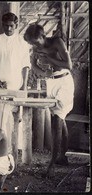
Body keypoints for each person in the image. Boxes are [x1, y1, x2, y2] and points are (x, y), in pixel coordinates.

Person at [23, 24, 74, 177]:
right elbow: (38, 70)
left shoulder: (57, 42)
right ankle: (62, 157)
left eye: (36, 42)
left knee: (57, 120)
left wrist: (48, 57)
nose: (34, 45)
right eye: (32, 43)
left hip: (64, 82)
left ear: (43, 36)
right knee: (59, 118)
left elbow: (69, 65)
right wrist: (35, 65)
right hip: (51, 82)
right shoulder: (35, 49)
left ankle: (52, 165)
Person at [0, 12, 31, 154]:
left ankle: (12, 151)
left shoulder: (22, 42)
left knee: (13, 120)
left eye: (11, 26)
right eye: (6, 26)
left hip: (16, 86)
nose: (9, 29)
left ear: (16, 25)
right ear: (2, 25)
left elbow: (25, 65)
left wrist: (23, 86)